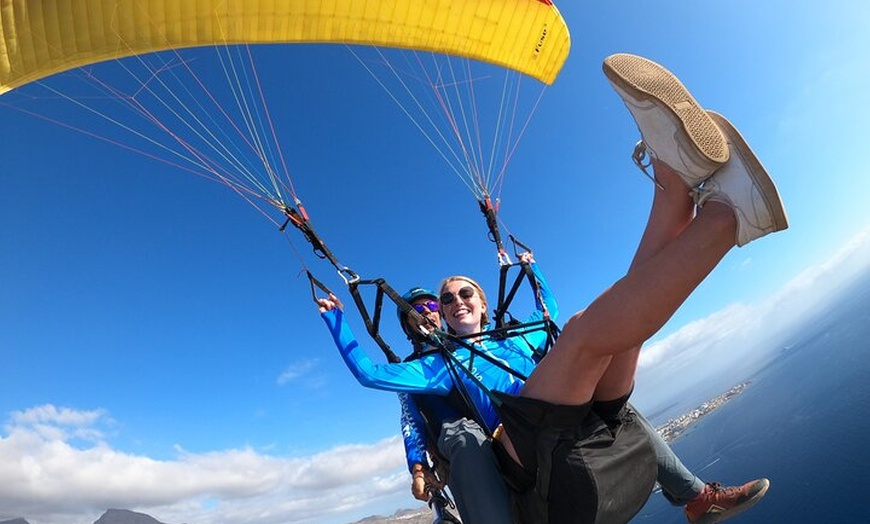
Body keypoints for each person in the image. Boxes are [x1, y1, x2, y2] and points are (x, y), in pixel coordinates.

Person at [320, 53, 786, 523]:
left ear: (483, 302)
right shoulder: (437, 367)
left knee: (619, 334)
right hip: (523, 442)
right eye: (445, 299)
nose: (453, 302)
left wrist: (534, 271)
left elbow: (552, 317)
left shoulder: (516, 336)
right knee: (589, 333)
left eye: (465, 293)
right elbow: (373, 377)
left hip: (569, 417)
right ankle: (727, 217)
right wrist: (337, 319)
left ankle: (674, 186)